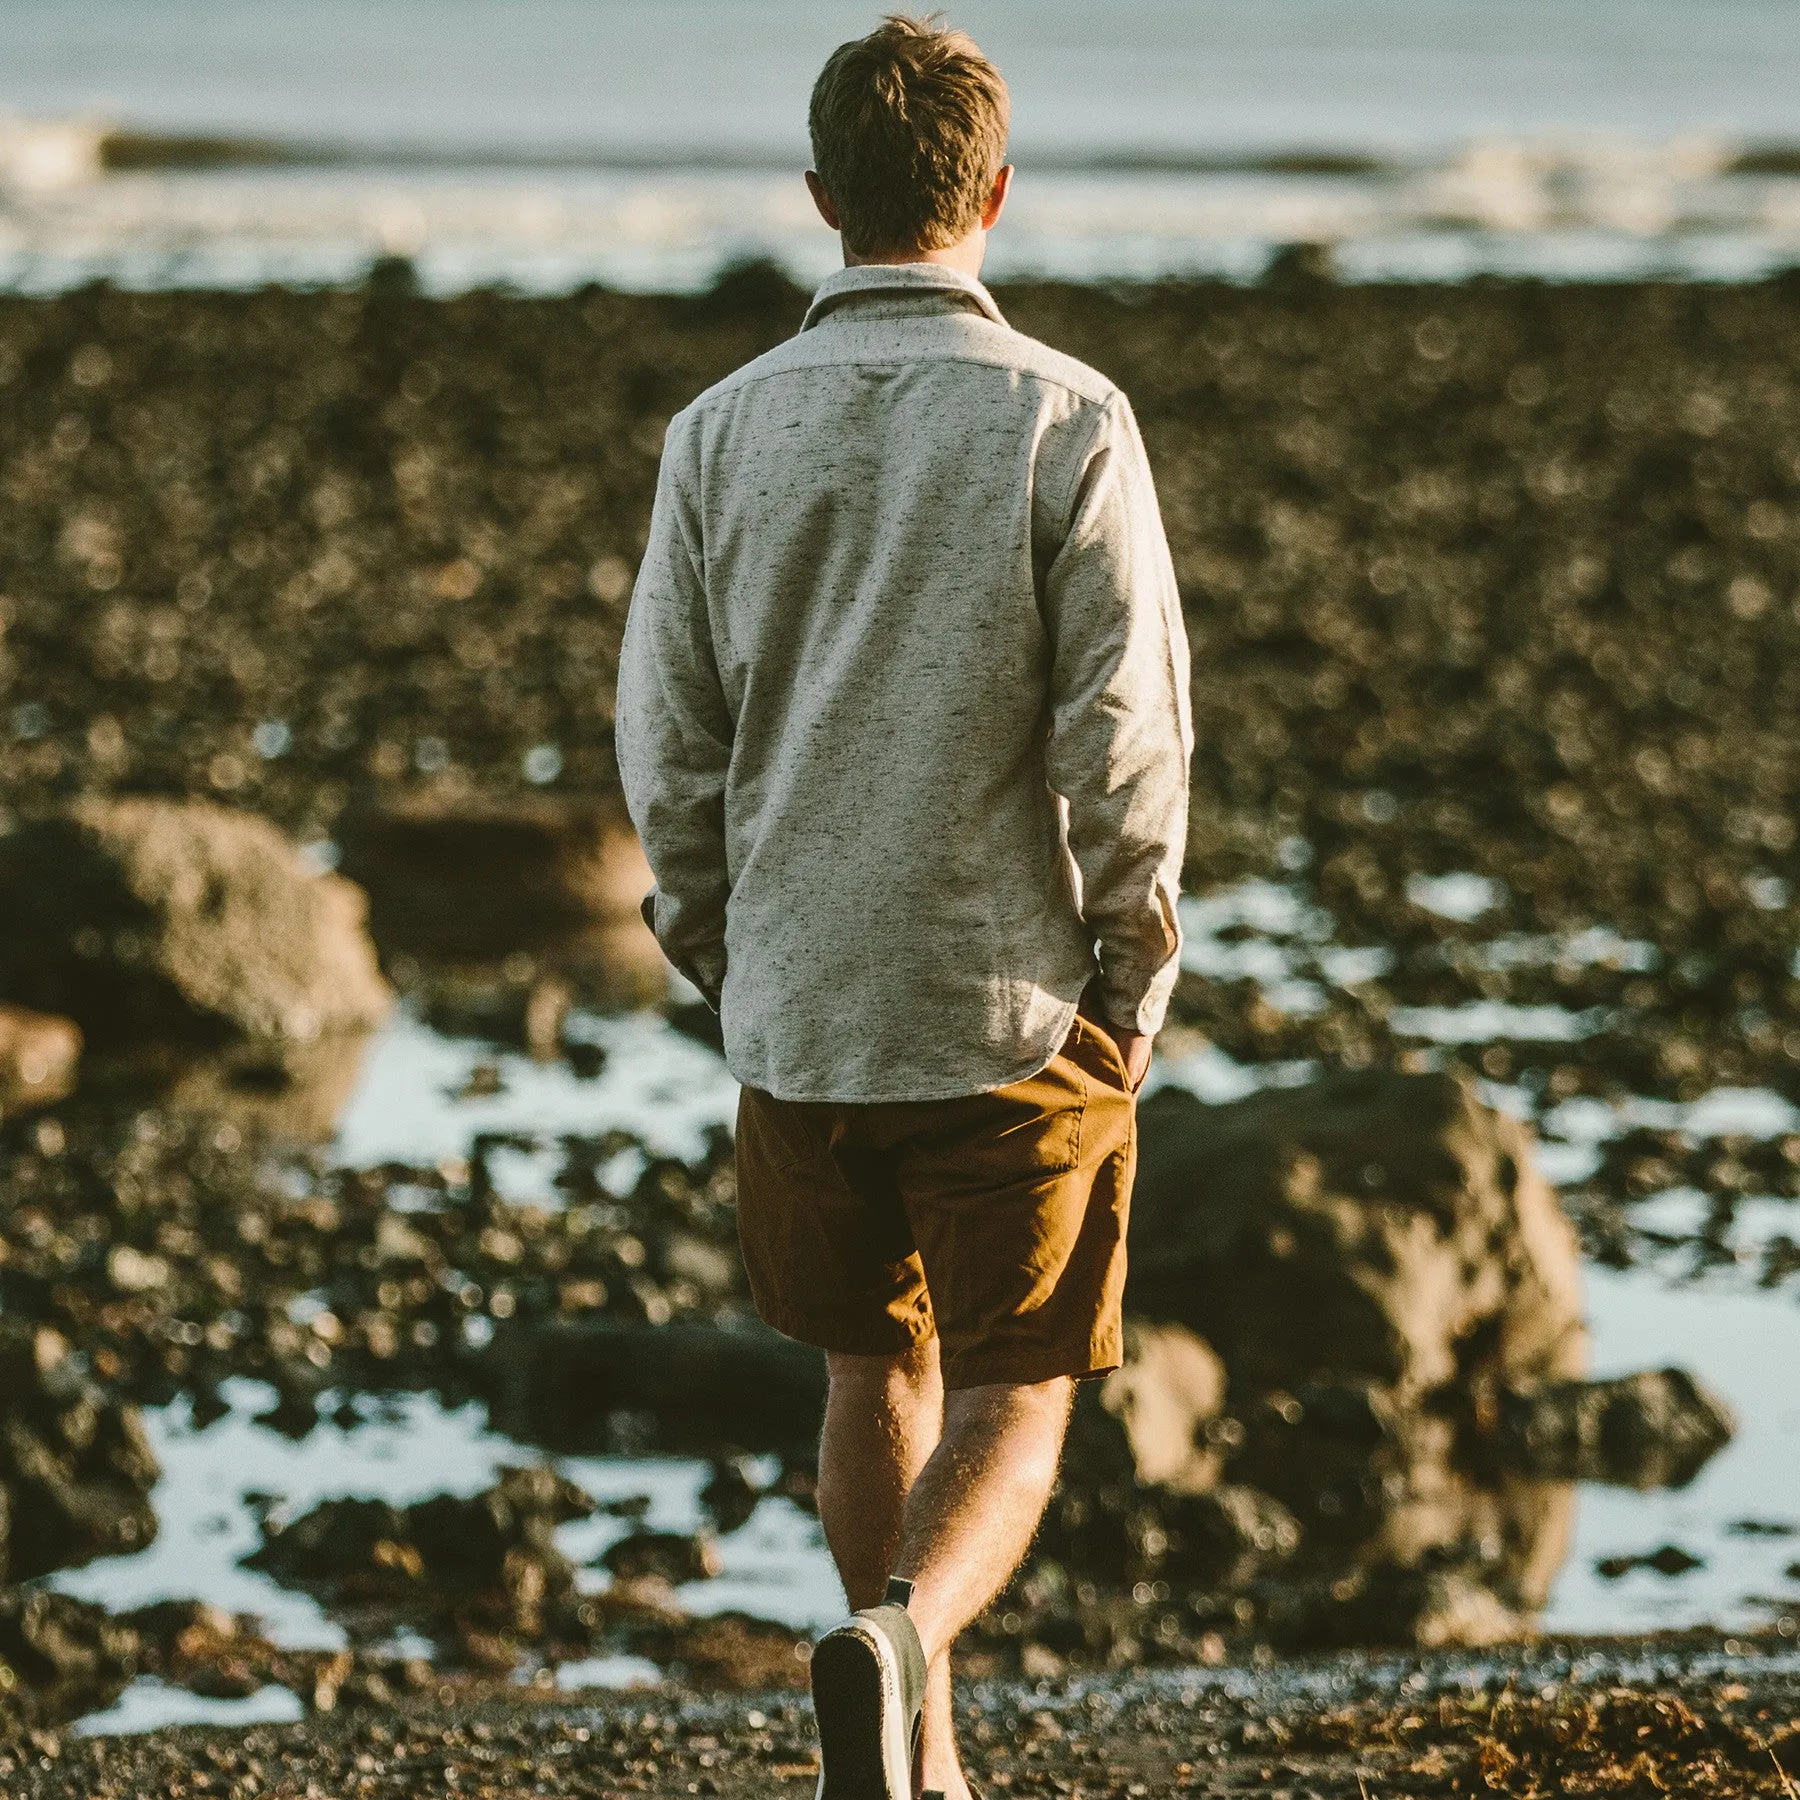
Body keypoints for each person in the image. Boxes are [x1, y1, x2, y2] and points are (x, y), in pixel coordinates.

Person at [616, 14, 1191, 1797]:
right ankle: (899, 1652)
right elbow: (1127, 736)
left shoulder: (715, 437)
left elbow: (668, 736)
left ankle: (913, 1760)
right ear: (996, 194)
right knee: (1019, 1394)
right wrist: (1135, 975)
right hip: (1009, 1001)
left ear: (819, 197)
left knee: (874, 1372)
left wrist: (719, 946)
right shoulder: (1066, 418)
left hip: (802, 999)